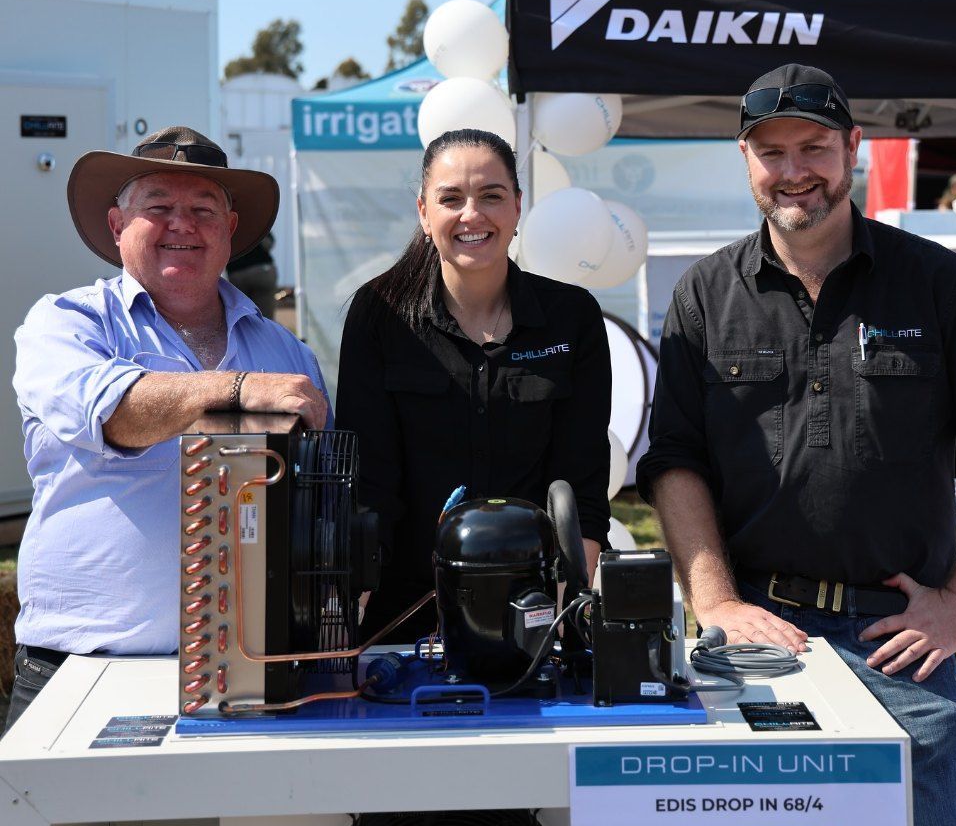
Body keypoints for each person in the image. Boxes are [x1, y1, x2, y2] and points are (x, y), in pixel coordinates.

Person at [636, 64, 956, 826]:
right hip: (755, 646)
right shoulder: (705, 296)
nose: (793, 170)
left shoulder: (942, 287)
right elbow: (674, 462)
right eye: (769, 151)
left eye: (813, 145)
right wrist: (714, 602)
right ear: (744, 160)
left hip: (899, 650)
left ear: (853, 146)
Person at [5, 126, 331, 734]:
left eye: (203, 209)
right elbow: (114, 413)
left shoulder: (288, 352)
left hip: (255, 676)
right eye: (158, 207)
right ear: (115, 225)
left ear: (230, 230)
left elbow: (323, 499)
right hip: (80, 672)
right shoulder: (66, 325)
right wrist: (236, 390)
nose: (182, 224)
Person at [336, 128, 611, 643]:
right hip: (405, 619)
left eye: (491, 196)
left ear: (518, 207)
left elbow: (582, 485)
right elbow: (367, 484)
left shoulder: (572, 317)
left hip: (534, 613)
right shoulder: (380, 316)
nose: (471, 215)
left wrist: (561, 614)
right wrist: (353, 614)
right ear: (423, 212)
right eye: (450, 199)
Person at [228, 231, 278, 319]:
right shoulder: (255, 222)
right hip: (262, 270)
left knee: (242, 319)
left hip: (236, 272)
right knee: (265, 319)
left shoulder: (226, 222)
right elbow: (269, 243)